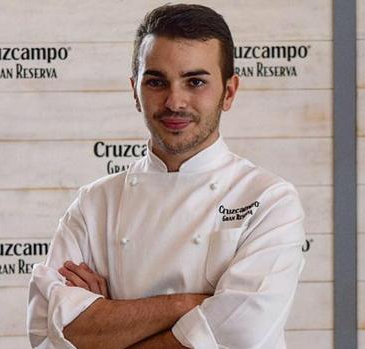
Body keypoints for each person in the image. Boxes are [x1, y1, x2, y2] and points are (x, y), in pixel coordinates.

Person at [27, 4, 305, 348]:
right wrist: (192, 303)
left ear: (229, 92)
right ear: (135, 91)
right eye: (157, 81)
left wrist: (107, 320)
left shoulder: (269, 200)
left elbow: (241, 333)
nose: (175, 101)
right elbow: (47, 332)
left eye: (196, 82)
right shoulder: (93, 205)